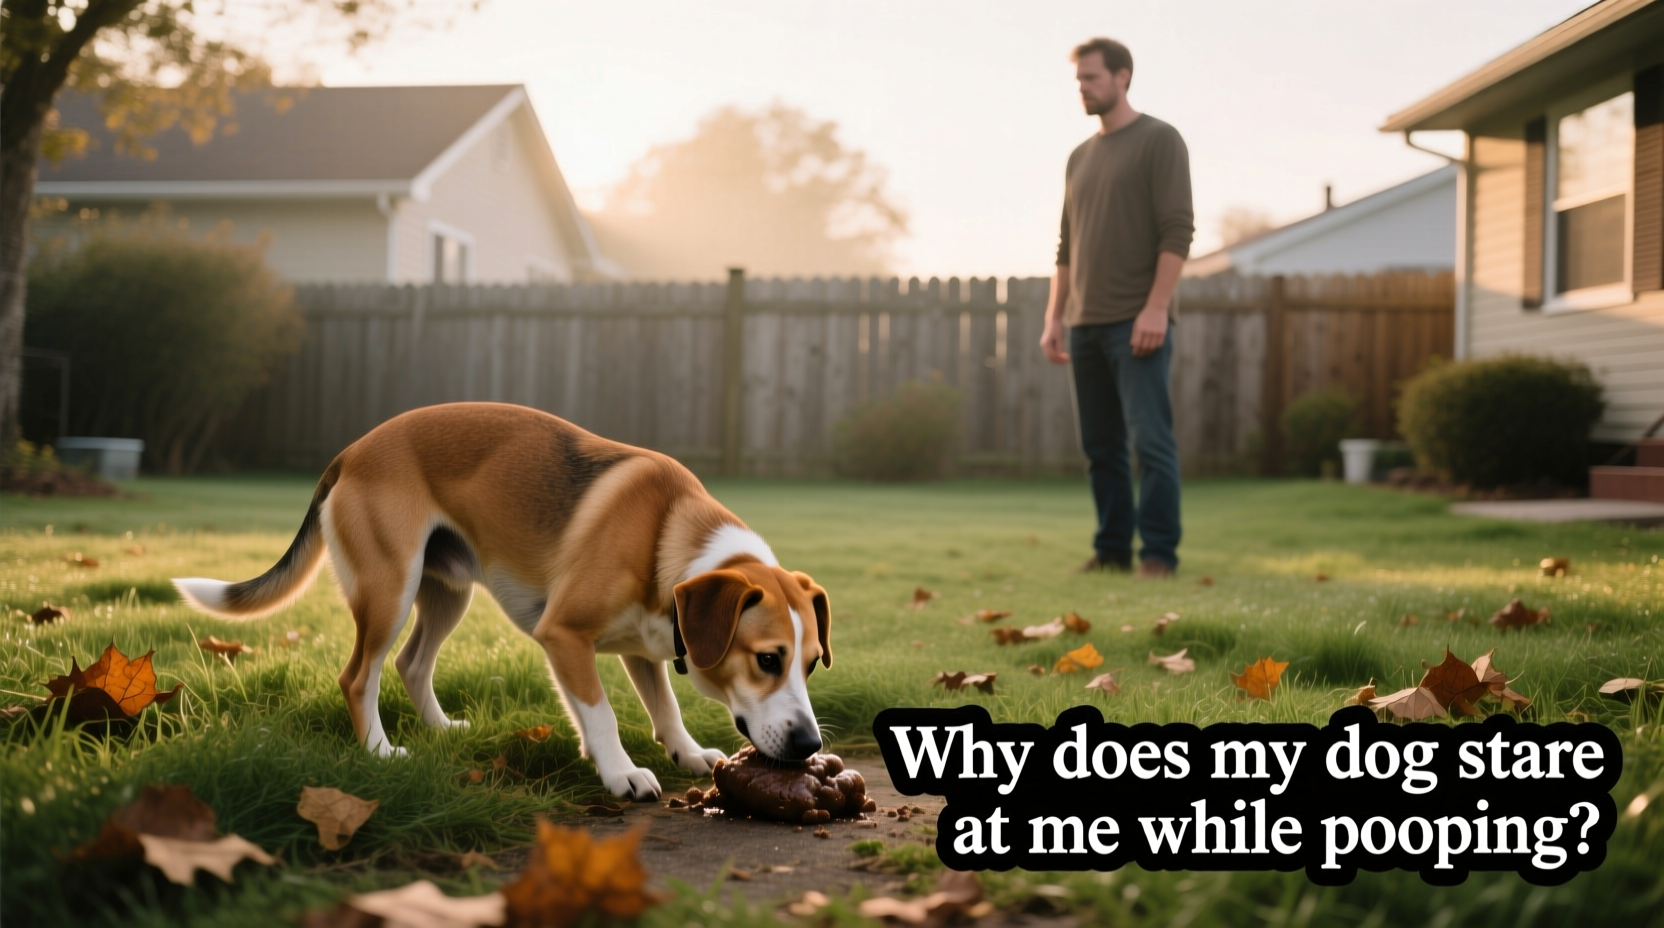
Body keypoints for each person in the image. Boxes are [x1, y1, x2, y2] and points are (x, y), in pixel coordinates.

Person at [1038, 37, 1193, 579]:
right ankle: (1111, 551)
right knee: (1100, 448)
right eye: (1079, 79)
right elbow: (1066, 247)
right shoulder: (1078, 157)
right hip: (1083, 325)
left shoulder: (1159, 140)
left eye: (1093, 78)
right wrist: (1054, 317)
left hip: (1137, 322)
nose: (1083, 87)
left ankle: (1157, 556)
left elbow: (1177, 230)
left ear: (1123, 77)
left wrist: (1156, 307)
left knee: (1151, 442)